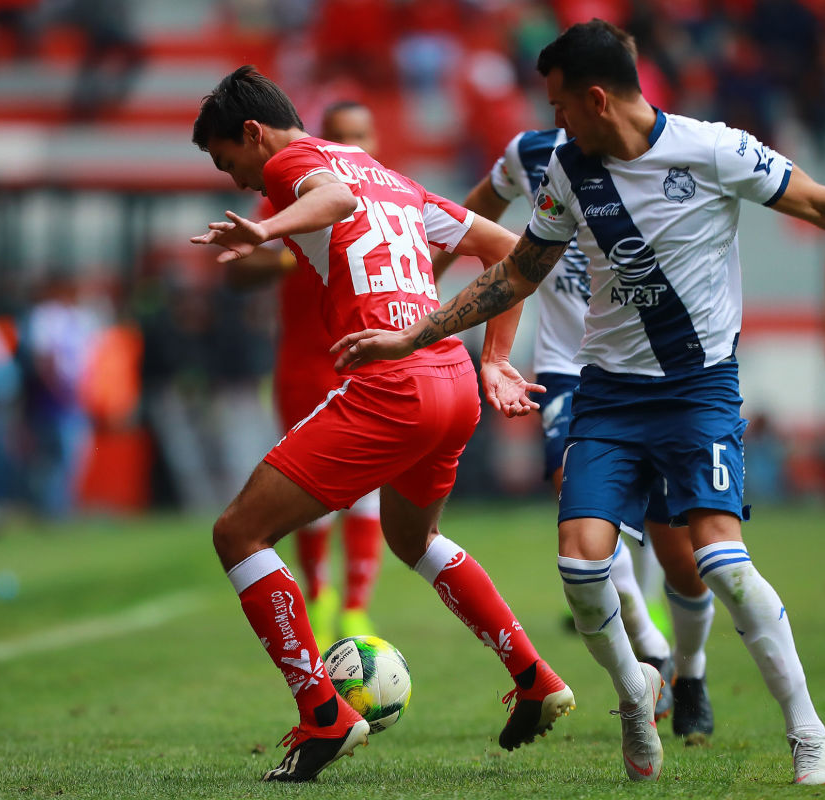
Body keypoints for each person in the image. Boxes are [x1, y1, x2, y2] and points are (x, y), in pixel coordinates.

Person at [332, 20, 825, 785]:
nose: (553, 122)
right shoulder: (564, 169)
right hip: (610, 397)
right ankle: (635, 689)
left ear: (596, 98)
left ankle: (807, 730)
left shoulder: (715, 149)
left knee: (720, 564)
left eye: (560, 105)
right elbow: (518, 272)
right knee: (581, 564)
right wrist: (416, 336)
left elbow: (823, 205)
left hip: (698, 393)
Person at [188, 66, 573, 783]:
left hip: (390, 388)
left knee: (237, 534)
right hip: (453, 385)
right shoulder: (386, 173)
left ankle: (324, 712)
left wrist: (268, 224)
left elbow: (328, 198)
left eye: (227, 161)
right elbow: (509, 251)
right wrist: (493, 360)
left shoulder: (292, 163)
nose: (237, 178)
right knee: (414, 538)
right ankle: (534, 675)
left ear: (252, 134)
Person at [431, 121, 720, 740]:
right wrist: (429, 264)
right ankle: (652, 651)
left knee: (682, 558)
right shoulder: (533, 153)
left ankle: (690, 674)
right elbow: (476, 207)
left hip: (658, 376)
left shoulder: (662, 156)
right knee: (581, 510)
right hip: (572, 370)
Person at [264, 100, 387, 648]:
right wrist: (285, 253)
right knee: (309, 484)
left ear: (375, 139)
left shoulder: (390, 194)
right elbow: (242, 262)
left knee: (367, 487)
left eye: (360, 134)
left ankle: (356, 607)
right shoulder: (295, 197)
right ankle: (319, 594)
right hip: (305, 363)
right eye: (340, 136)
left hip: (365, 356)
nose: (352, 146)